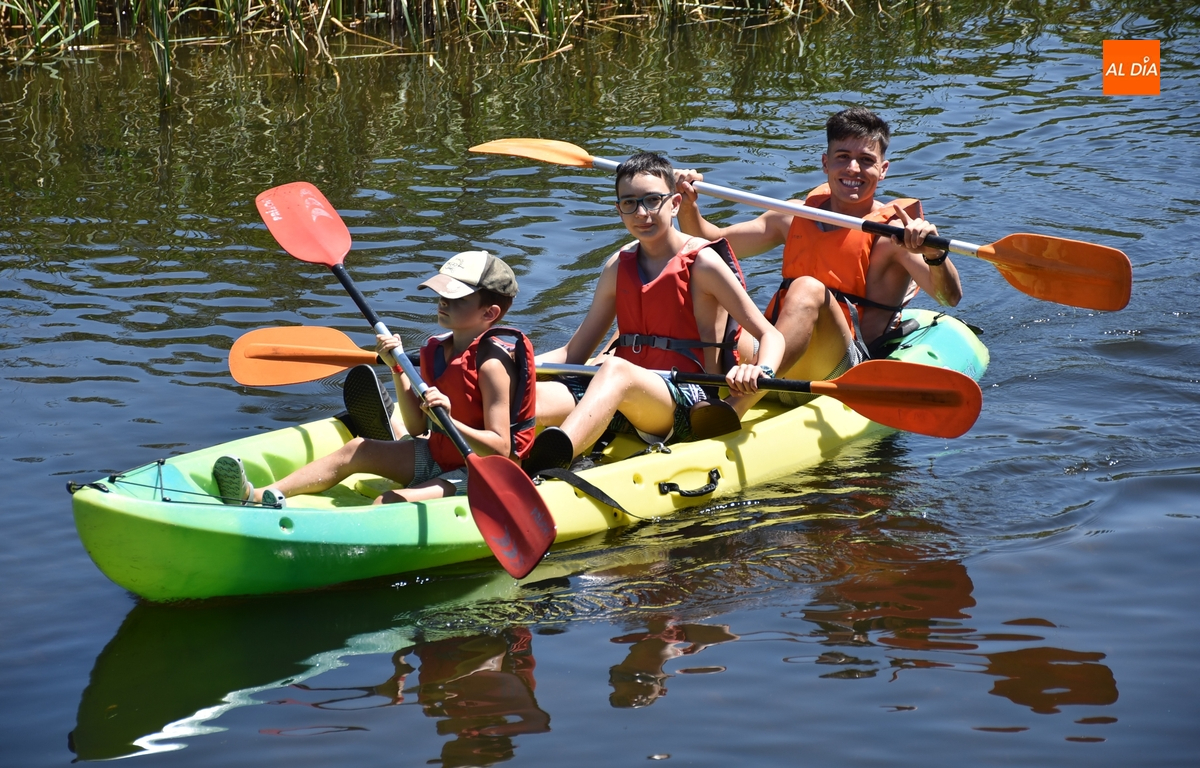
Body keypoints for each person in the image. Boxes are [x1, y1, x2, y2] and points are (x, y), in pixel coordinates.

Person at [675, 107, 963, 407]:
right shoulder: (794, 215)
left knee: (808, 288)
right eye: (842, 157)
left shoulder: (894, 236)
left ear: (883, 169)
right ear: (825, 163)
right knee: (706, 279)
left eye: (866, 161)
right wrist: (687, 204)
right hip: (775, 355)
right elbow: (707, 242)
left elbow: (948, 297)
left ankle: (736, 407)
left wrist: (934, 254)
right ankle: (690, 394)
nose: (853, 169)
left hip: (842, 366)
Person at [523, 151, 785, 475]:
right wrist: (516, 368)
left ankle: (552, 465)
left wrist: (763, 371)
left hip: (686, 401)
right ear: (618, 210)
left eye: (652, 200)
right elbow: (573, 353)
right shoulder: (617, 266)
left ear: (674, 204)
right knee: (530, 394)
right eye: (630, 203)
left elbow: (770, 334)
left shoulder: (704, 264)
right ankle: (484, 467)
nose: (642, 213)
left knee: (615, 369)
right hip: (623, 395)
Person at [212, 251, 536, 506]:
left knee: (389, 500)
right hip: (438, 454)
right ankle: (258, 495)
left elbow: (500, 447)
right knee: (356, 449)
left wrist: (451, 421)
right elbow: (416, 428)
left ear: (489, 313)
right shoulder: (436, 350)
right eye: (441, 294)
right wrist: (397, 368)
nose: (443, 303)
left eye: (456, 299)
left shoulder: (492, 363)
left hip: (481, 471)